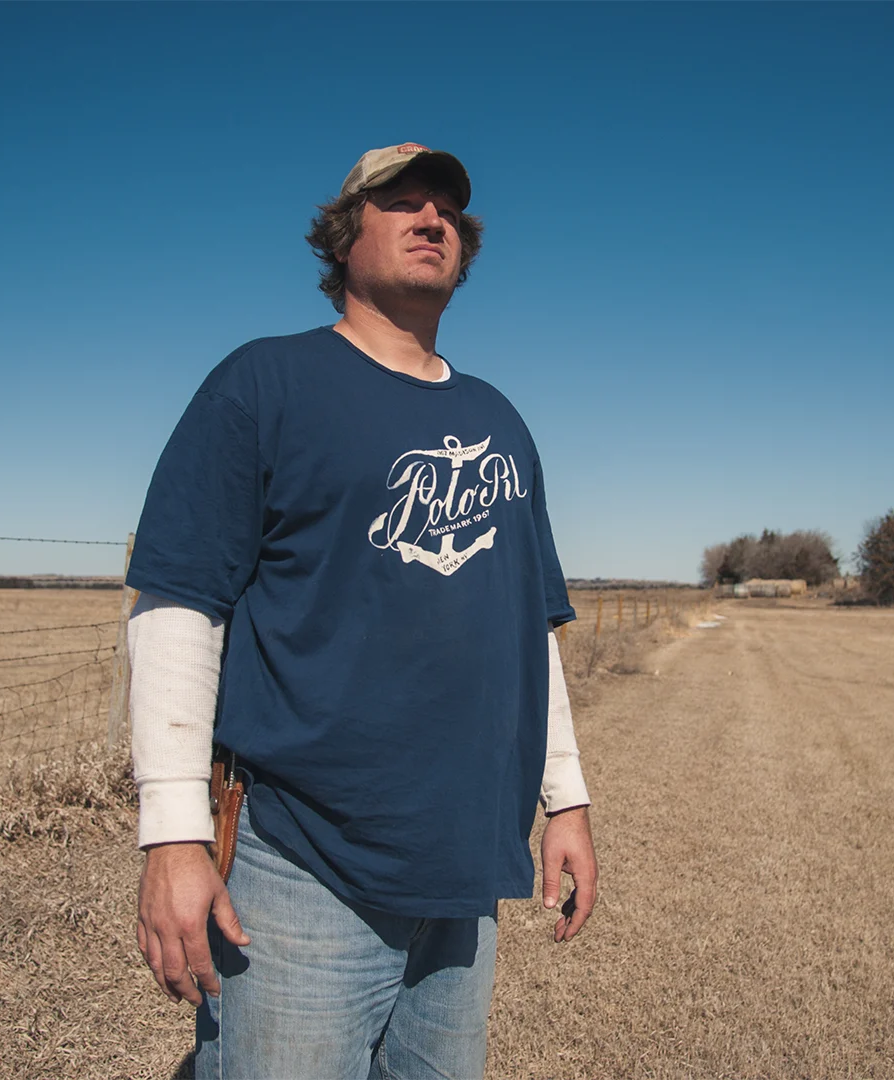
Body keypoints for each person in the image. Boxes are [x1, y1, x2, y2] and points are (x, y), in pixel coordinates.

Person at [125, 143, 597, 1080]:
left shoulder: (499, 420)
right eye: (403, 204)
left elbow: (525, 634)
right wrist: (172, 833)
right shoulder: (264, 384)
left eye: (449, 213)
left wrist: (567, 800)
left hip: (464, 870)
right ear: (344, 241)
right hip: (301, 862)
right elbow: (179, 605)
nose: (434, 221)